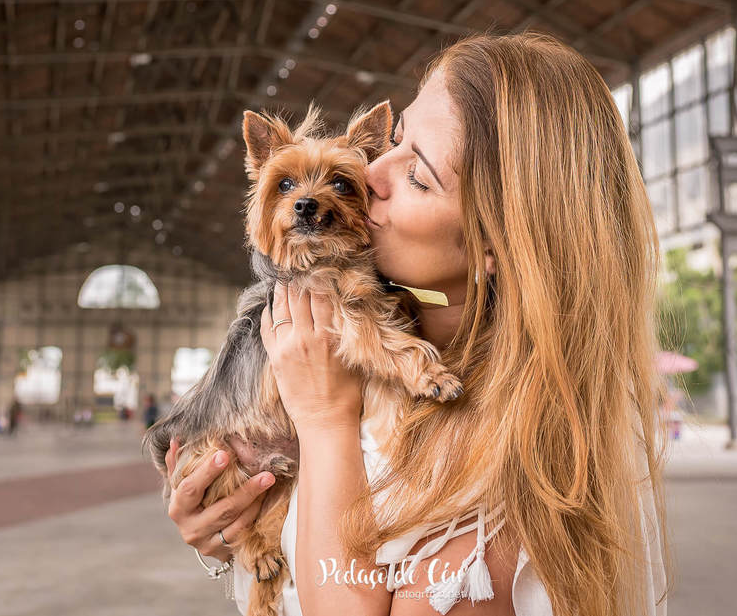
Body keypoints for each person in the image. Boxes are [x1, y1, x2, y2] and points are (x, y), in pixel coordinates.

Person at [160, 33, 671, 616]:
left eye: (420, 176)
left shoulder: (511, 465)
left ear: (495, 244)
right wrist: (229, 534)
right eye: (397, 139)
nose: (374, 171)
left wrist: (325, 422)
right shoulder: (365, 346)